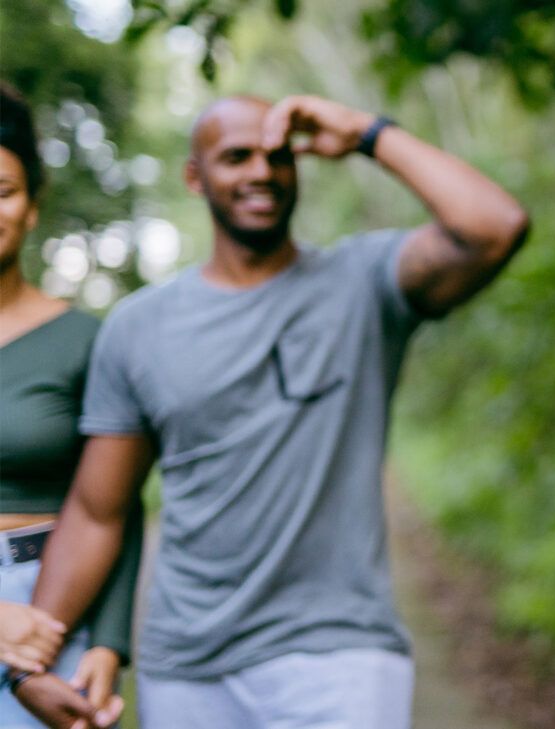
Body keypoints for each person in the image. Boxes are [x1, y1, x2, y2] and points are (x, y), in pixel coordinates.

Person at [14, 93, 528, 728]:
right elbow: (98, 511)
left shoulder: (363, 285)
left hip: (340, 658)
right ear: (194, 177)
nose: (262, 171)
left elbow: (495, 227)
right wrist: (32, 663)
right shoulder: (138, 328)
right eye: (237, 157)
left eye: (279, 156)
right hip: (188, 665)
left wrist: (365, 133)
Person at [0, 82, 135, 729]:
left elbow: (112, 502)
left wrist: (108, 641)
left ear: (32, 206)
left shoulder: (85, 341)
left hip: (49, 611)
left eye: (3, 191)